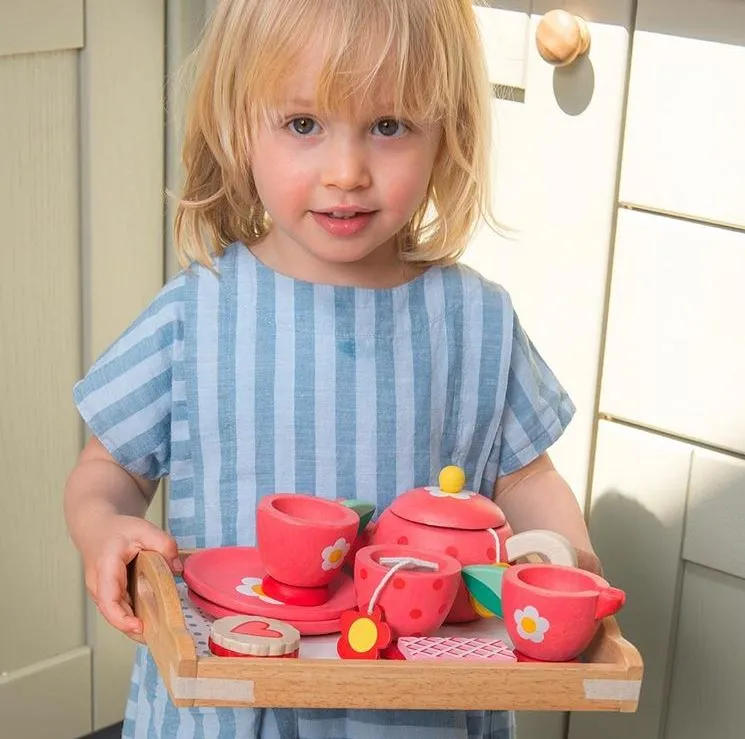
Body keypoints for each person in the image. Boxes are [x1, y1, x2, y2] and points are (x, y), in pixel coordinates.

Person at [64, 0, 601, 737]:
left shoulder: (475, 320)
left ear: (448, 133)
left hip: (420, 713)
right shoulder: (195, 314)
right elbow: (105, 470)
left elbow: (527, 478)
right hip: (230, 705)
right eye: (303, 124)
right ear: (237, 126)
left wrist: (566, 557)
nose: (346, 172)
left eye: (388, 126)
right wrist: (105, 529)